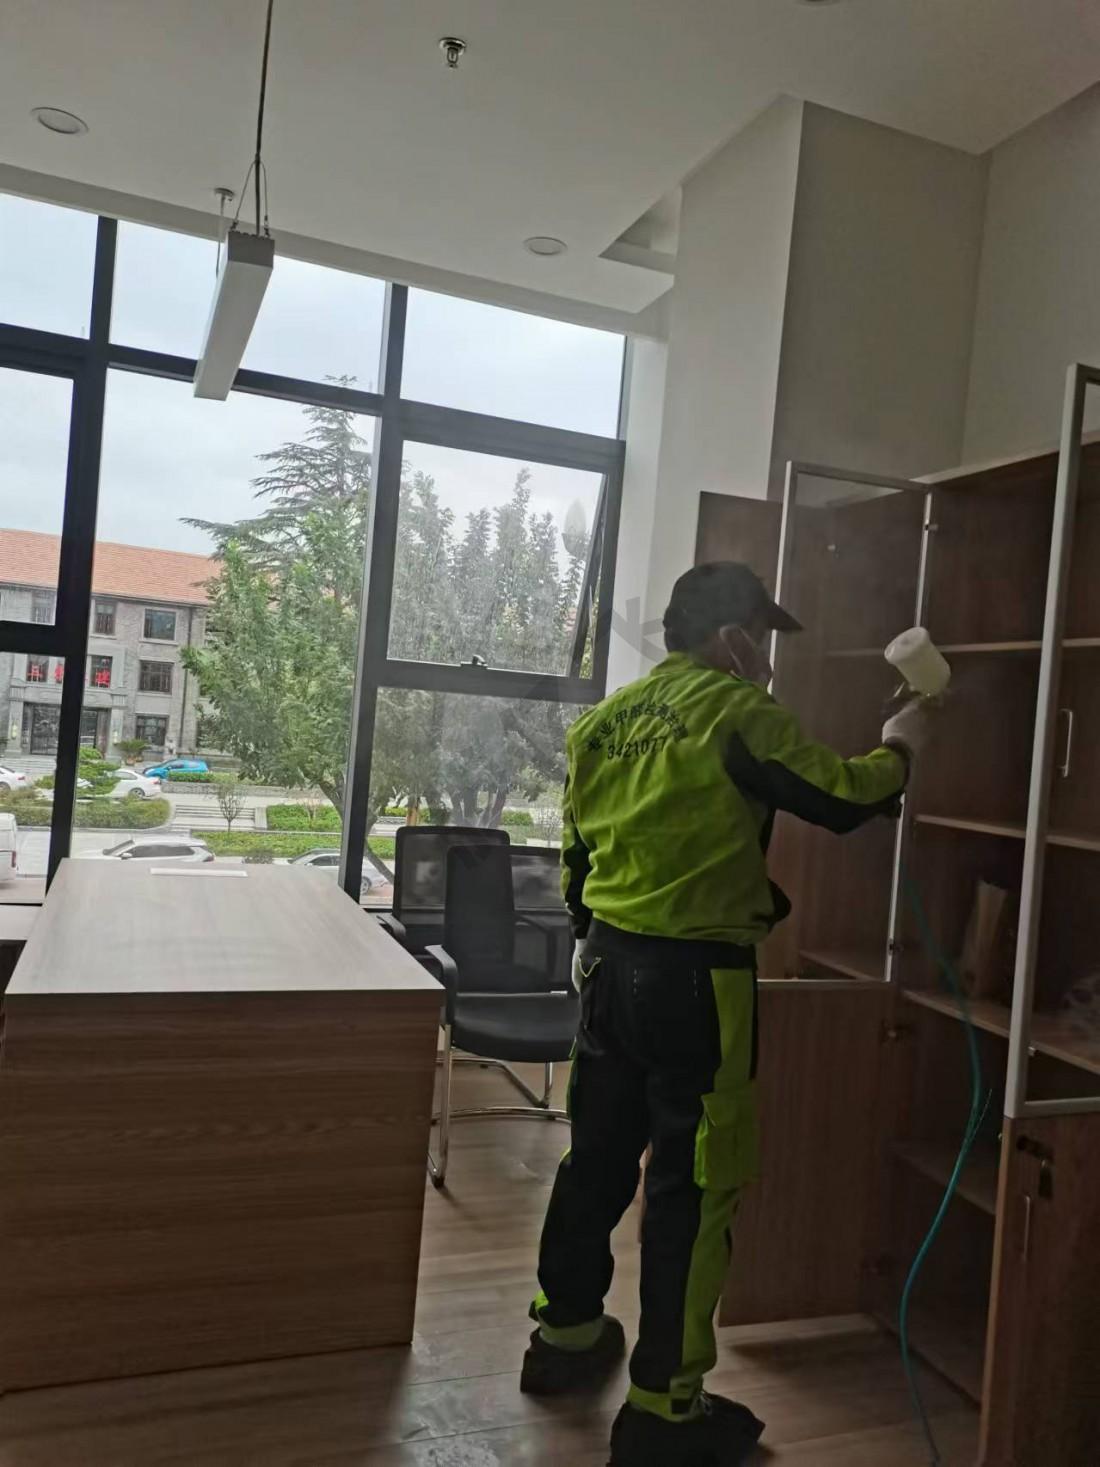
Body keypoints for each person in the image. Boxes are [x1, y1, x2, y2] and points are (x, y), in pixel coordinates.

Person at [519, 561, 933, 1467]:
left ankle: (565, 1336)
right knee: (696, 1185)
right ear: (733, 637)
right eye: (764, 639)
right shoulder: (737, 712)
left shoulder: (602, 723)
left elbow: (576, 862)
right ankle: (666, 1408)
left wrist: (597, 937)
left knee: (595, 1158)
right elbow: (841, 795)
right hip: (697, 985)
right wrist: (902, 746)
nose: (770, 660)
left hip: (609, 971)